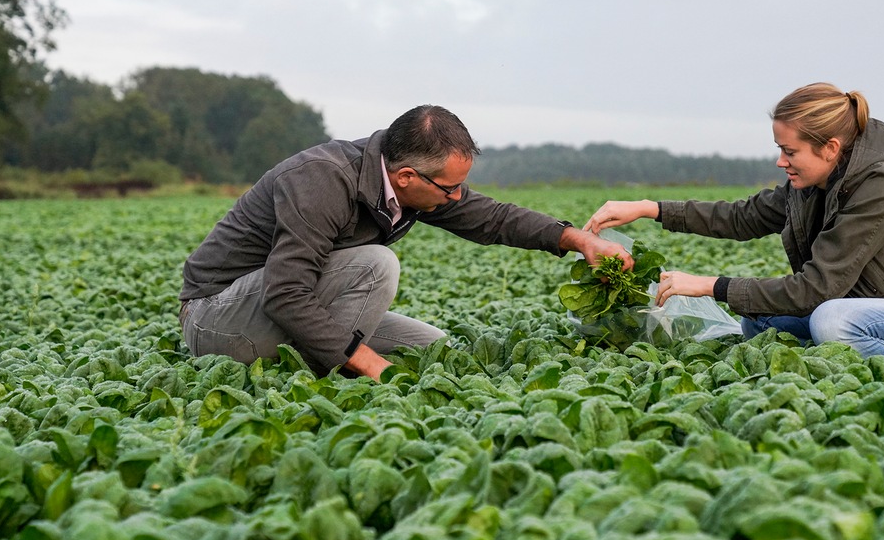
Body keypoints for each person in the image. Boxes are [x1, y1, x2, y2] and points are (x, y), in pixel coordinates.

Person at [180, 104, 631, 379]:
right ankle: (327, 369)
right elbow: (285, 291)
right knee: (376, 264)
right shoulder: (320, 181)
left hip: (275, 307)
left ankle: (326, 355)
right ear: (407, 176)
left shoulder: (414, 186)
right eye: (450, 189)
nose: (457, 198)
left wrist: (576, 239)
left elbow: (492, 218)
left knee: (436, 348)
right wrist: (367, 362)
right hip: (218, 320)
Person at [584, 82, 884, 358]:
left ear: (830, 148)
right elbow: (743, 217)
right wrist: (648, 208)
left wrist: (709, 284)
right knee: (761, 320)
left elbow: (818, 288)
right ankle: (838, 362)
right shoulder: (811, 185)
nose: (781, 161)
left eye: (790, 151)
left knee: (832, 322)